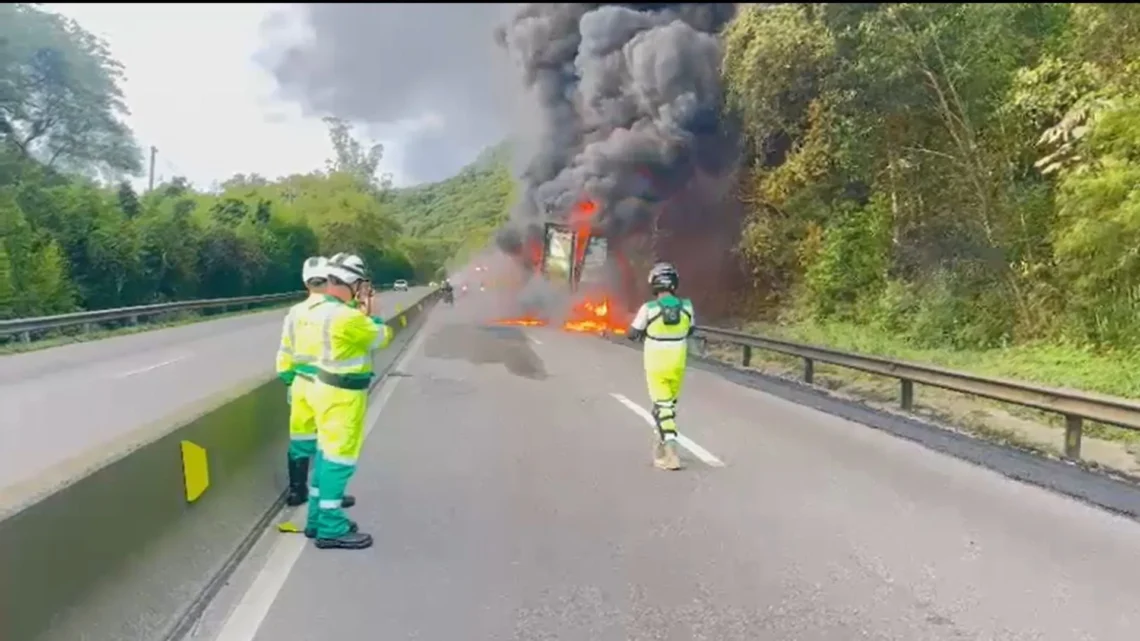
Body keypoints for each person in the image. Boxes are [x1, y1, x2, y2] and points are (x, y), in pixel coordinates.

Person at [299, 252, 394, 549]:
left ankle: (316, 519)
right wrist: (374, 313)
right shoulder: (347, 317)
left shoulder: (321, 310)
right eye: (360, 285)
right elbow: (381, 337)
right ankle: (331, 526)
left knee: (325, 457)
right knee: (339, 460)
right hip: (343, 397)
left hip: (323, 389)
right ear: (351, 282)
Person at [275, 257, 356, 510]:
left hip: (300, 384)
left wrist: (289, 379)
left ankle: (296, 491)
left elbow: (285, 350)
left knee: (300, 439)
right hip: (330, 385)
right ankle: (328, 494)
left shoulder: (295, 313)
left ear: (305, 282)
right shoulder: (338, 311)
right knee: (329, 442)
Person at [625, 262, 695, 471]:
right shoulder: (687, 307)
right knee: (668, 406)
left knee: (662, 407)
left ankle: (672, 454)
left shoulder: (649, 308)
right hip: (678, 362)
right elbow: (691, 329)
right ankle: (660, 448)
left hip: (656, 363)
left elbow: (632, 333)